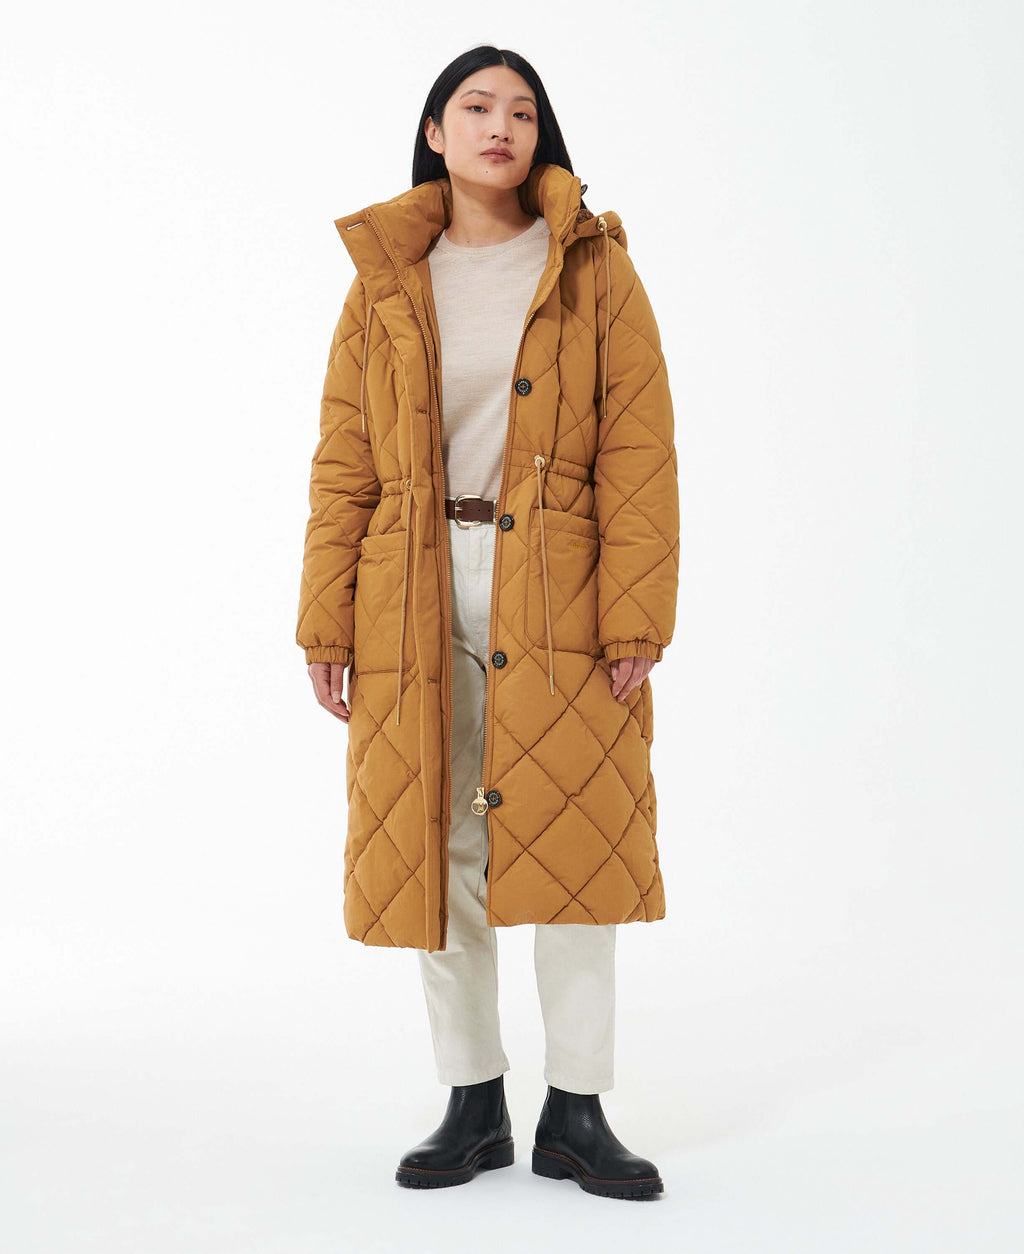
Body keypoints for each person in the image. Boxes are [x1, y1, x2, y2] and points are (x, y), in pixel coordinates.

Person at [296, 45, 679, 1200]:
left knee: (574, 845)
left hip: (558, 585)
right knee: (437, 846)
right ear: (435, 131)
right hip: (408, 586)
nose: (499, 125)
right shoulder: (384, 283)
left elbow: (639, 450)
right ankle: (471, 1102)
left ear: (538, 133)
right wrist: (326, 620)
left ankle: (577, 1109)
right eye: (475, 107)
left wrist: (634, 617)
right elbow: (345, 461)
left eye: (521, 109)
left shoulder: (593, 267)